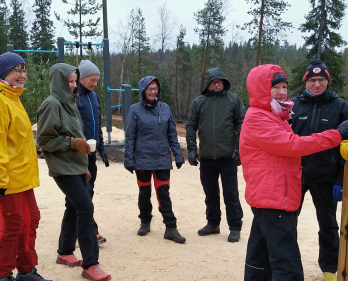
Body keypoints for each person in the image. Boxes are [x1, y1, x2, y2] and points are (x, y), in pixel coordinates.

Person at [240, 64, 348, 281]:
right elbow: (294, 145)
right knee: (287, 264)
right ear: (262, 90)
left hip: (268, 195)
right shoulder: (259, 118)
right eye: (275, 87)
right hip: (274, 198)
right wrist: (339, 134)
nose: (282, 92)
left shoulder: (273, 115)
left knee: (260, 253)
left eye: (284, 87)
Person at [0, 52, 53, 281]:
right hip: (5, 178)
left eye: (24, 70)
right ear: (2, 72)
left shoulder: (12, 96)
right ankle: (1, 275)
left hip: (21, 177)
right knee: (13, 223)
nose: (22, 74)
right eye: (16, 70)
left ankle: (25, 269)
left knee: (31, 219)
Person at [36, 63, 111, 281]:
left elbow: (78, 134)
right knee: (85, 208)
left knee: (73, 207)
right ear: (58, 81)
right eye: (68, 81)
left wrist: (84, 167)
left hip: (76, 166)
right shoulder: (51, 105)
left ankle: (64, 251)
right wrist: (72, 143)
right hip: (63, 169)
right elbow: (43, 140)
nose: (72, 85)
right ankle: (91, 265)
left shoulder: (70, 102)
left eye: (73, 81)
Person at [290, 59, 348, 281]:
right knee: (288, 220)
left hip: (326, 175)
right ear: (305, 81)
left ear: (327, 81)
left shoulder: (339, 106)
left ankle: (329, 267)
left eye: (321, 80)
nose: (317, 84)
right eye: (312, 80)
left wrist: (340, 178)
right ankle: (288, 263)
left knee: (328, 223)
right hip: (297, 173)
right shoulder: (294, 105)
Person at [124, 76, 186, 244]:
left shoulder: (165, 108)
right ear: (143, 91)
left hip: (162, 160)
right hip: (142, 160)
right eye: (149, 89)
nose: (153, 92)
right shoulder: (135, 110)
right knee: (144, 193)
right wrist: (128, 159)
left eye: (155, 88)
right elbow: (130, 136)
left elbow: (172, 134)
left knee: (163, 194)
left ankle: (171, 228)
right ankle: (145, 222)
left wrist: (178, 155)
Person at [186, 68, 245, 242]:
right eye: (213, 81)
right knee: (210, 193)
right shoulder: (199, 101)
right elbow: (191, 125)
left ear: (224, 83)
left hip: (228, 156)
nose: (217, 84)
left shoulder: (233, 100)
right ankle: (213, 223)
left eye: (220, 81)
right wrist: (191, 148)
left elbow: (242, 123)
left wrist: (240, 148)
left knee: (231, 194)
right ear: (208, 84)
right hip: (206, 157)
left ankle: (235, 226)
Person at [77, 60, 109, 245]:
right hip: (78, 154)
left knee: (89, 191)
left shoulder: (94, 97)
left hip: (91, 154)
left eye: (97, 80)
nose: (95, 84)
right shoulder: (74, 97)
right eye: (92, 80)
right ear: (82, 77)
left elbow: (97, 125)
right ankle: (90, 230)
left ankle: (78, 227)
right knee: (82, 193)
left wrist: (102, 148)